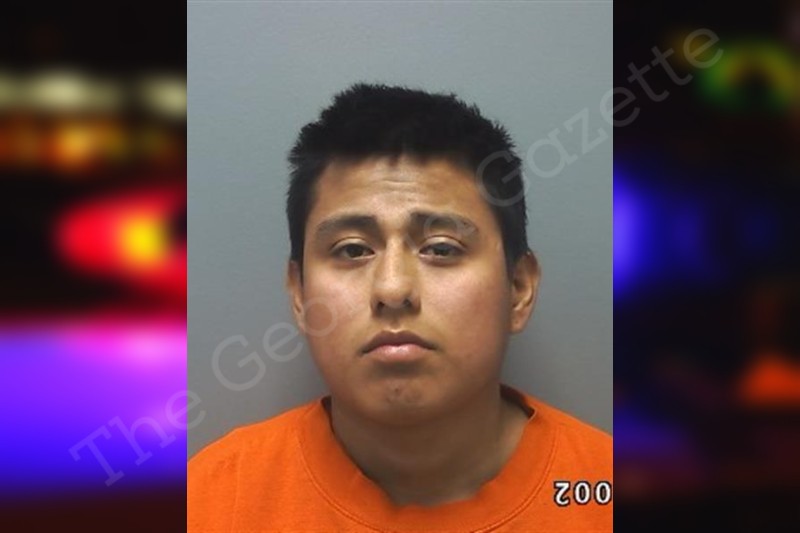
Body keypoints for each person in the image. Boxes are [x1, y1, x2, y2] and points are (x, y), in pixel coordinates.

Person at [188, 83, 612, 531]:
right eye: (353, 250)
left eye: (441, 248)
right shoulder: (210, 503)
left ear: (519, 289)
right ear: (299, 294)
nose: (392, 289)